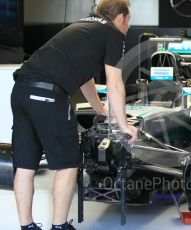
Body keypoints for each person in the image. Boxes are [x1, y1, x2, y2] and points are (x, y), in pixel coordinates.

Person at [10, 0, 138, 230]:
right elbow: (114, 83)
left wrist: (100, 109)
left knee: (26, 166)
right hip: (48, 95)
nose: (129, 26)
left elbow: (86, 77)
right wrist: (124, 125)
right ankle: (59, 226)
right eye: (129, 20)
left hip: (21, 90)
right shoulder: (113, 34)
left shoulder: (82, 26)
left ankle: (26, 226)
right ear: (120, 17)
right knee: (68, 165)